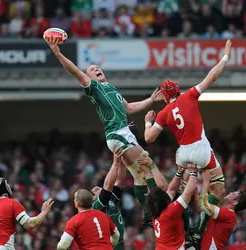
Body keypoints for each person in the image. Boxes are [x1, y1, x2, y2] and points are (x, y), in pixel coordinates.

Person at [46, 37, 163, 227]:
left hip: (123, 133)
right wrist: (58, 53)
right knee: (148, 166)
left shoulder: (113, 89)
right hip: (117, 134)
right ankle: (154, 210)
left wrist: (150, 100)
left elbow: (129, 108)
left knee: (139, 175)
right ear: (89, 77)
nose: (96, 69)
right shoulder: (94, 88)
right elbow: (74, 71)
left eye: (97, 68)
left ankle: (148, 214)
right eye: (91, 69)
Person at [144, 39, 232, 243]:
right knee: (218, 186)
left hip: (182, 154)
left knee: (181, 190)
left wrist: (148, 121)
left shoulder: (164, 112)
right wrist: (225, 56)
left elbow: (149, 138)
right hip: (200, 149)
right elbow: (212, 76)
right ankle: (200, 229)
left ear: (165, 98)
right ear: (178, 91)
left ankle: (182, 223)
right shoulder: (190, 95)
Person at [0, 177, 54, 249]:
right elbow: (30, 225)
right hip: (4, 246)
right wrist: (44, 212)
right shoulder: (13, 203)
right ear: (5, 188)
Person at [144, 158, 198, 250]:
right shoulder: (170, 211)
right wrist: (193, 172)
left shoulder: (156, 211)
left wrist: (179, 172)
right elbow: (188, 192)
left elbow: (171, 190)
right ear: (164, 200)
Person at [200, 171, 246, 250]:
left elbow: (205, 206)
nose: (230, 192)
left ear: (235, 202)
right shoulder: (223, 212)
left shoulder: (230, 214)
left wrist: (206, 181)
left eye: (233, 194)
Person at [91, 149, 126, 250]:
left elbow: (119, 181)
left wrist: (123, 161)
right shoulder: (96, 206)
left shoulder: (110, 200)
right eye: (96, 189)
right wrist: (116, 162)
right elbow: (108, 186)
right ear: (93, 198)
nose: (100, 188)